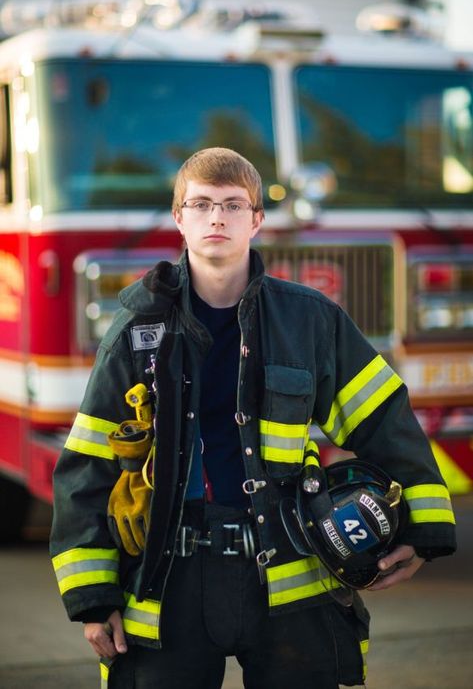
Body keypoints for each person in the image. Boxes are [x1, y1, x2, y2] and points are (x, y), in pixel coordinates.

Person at [50, 147, 456, 689]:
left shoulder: (310, 320)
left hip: (290, 580)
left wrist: (424, 527)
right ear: (179, 217)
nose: (216, 217)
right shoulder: (136, 332)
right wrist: (93, 598)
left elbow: (384, 418)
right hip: (168, 587)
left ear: (257, 219)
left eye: (233, 205)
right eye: (201, 204)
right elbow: (89, 465)